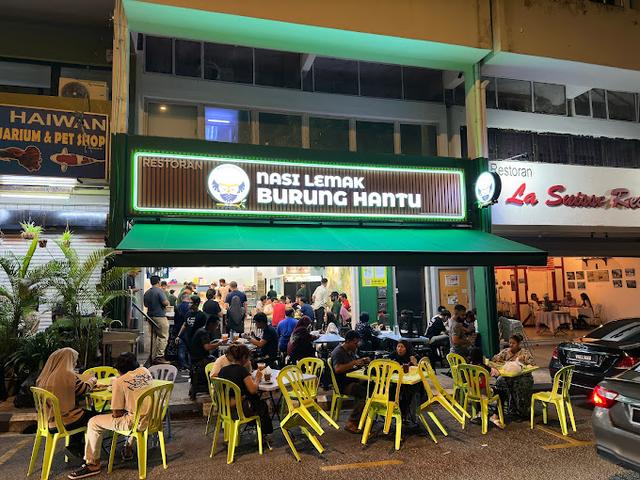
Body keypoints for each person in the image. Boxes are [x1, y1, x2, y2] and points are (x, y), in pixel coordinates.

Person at [69, 353, 153, 479]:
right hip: (151, 418)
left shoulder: (119, 382)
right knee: (131, 411)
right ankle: (128, 448)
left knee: (93, 422)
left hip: (133, 423)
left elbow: (116, 413)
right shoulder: (145, 371)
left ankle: (92, 464)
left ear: (119, 370)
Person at [36, 348, 97, 460]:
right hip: (64, 421)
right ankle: (88, 453)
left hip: (47, 421)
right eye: (74, 360)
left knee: (82, 413)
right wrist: (92, 380)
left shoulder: (44, 376)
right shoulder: (68, 375)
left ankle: (76, 446)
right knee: (95, 417)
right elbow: (84, 389)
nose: (75, 363)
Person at [217, 345, 273, 438]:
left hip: (224, 409)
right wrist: (258, 378)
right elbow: (253, 390)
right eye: (248, 358)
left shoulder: (223, 370)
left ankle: (255, 428)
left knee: (256, 403)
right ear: (244, 358)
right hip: (240, 411)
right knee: (262, 405)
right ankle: (265, 435)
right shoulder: (242, 370)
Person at [330, 330, 370, 433]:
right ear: (348, 341)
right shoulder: (338, 352)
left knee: (371, 386)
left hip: (352, 380)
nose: (357, 345)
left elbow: (354, 363)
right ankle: (351, 422)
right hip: (343, 384)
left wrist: (362, 361)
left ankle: (364, 418)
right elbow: (338, 369)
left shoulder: (351, 351)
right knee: (364, 393)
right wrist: (354, 363)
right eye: (355, 343)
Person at [491, 334, 535, 420]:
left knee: (520, 385)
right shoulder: (505, 351)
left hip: (523, 377)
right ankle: (502, 409)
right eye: (510, 343)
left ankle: (521, 412)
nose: (511, 345)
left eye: (513, 343)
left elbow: (532, 363)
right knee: (500, 382)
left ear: (518, 344)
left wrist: (524, 360)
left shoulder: (524, 353)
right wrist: (498, 361)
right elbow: (494, 359)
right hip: (508, 376)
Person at [468, 348, 504, 429]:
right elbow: (497, 373)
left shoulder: (467, 366)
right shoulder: (483, 367)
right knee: (501, 392)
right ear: (481, 357)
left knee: (478, 389)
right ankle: (495, 415)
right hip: (484, 394)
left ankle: (480, 412)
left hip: (471, 393)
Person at [189, 317, 224, 399]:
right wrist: (219, 343)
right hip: (199, 359)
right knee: (219, 364)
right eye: (216, 325)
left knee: (215, 359)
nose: (216, 328)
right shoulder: (203, 332)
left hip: (195, 357)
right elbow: (207, 347)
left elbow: (205, 344)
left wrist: (215, 342)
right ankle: (216, 387)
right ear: (211, 324)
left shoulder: (201, 330)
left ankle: (211, 385)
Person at [143, 275, 170, 364]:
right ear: (158, 282)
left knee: (153, 337)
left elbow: (146, 305)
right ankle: (160, 357)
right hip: (160, 317)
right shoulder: (159, 291)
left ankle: (153, 356)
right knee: (163, 336)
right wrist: (167, 302)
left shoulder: (147, 293)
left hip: (150, 317)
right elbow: (165, 303)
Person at [388, 340, 417, 418]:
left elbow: (418, 367)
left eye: (402, 347)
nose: (399, 349)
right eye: (398, 346)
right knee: (392, 388)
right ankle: (392, 410)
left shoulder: (411, 356)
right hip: (396, 381)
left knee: (408, 391)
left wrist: (414, 363)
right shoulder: (393, 355)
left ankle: (404, 412)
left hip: (408, 382)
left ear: (406, 348)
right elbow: (386, 362)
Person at [173, 292, 193, 371]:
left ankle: (182, 365)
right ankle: (189, 365)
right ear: (188, 299)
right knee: (189, 348)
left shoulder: (177, 306)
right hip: (187, 330)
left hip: (179, 329)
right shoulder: (190, 307)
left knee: (181, 348)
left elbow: (175, 319)